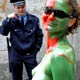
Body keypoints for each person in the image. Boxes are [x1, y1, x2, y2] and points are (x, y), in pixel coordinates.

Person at [32, 0, 79, 80]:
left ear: (71, 21)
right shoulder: (53, 50)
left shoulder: (61, 55)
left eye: (59, 14)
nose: (51, 17)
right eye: (48, 10)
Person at [0, 0, 43, 80]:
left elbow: (39, 36)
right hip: (16, 54)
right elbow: (3, 32)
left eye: (22, 7)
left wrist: (35, 50)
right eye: (18, 8)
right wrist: (8, 19)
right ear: (14, 8)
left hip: (29, 54)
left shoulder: (34, 20)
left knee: (34, 77)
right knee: (16, 78)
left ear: (25, 6)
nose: (20, 10)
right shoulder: (11, 20)